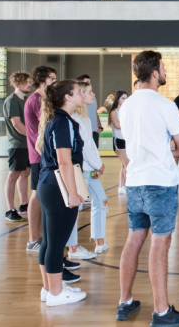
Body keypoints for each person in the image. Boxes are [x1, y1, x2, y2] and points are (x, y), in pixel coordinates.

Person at [116, 50, 179, 326]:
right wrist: (171, 147)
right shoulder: (164, 105)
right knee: (160, 245)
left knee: (133, 240)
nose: (165, 71)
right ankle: (161, 312)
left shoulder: (126, 107)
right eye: (162, 67)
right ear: (153, 73)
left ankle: (125, 301)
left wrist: (165, 145)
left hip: (135, 182)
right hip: (160, 182)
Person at [35, 79, 88, 306]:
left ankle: (50, 288)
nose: (82, 95)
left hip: (48, 186)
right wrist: (73, 193)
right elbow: (64, 162)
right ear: (68, 97)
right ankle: (56, 294)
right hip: (57, 188)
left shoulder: (57, 120)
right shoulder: (62, 122)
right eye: (78, 92)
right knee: (56, 244)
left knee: (49, 242)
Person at [71, 80, 109, 254]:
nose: (93, 95)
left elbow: (91, 145)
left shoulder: (85, 117)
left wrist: (97, 165)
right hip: (81, 169)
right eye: (90, 92)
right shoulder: (75, 118)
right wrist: (98, 165)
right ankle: (72, 248)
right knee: (74, 209)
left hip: (89, 168)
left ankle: (100, 241)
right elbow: (84, 146)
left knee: (101, 201)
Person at [25, 65, 57, 252]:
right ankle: (33, 239)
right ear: (41, 80)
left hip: (44, 155)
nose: (54, 82)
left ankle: (39, 236)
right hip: (39, 156)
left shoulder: (43, 99)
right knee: (37, 195)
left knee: (41, 195)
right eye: (52, 79)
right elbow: (47, 124)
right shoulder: (37, 100)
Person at [3, 70, 31, 222]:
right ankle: (9, 209)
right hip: (17, 144)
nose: (29, 85)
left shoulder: (26, 100)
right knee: (13, 175)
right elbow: (16, 124)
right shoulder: (12, 100)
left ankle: (24, 204)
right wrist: (33, 136)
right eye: (27, 82)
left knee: (25, 172)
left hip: (27, 144)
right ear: (17, 84)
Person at [76, 74, 104, 153]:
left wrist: (99, 125)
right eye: (87, 82)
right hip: (84, 131)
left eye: (90, 82)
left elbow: (94, 112)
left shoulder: (92, 98)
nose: (90, 83)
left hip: (93, 130)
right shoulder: (76, 108)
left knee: (94, 151)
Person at [110, 91, 129, 195]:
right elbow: (117, 125)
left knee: (124, 165)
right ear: (117, 99)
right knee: (127, 164)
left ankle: (121, 186)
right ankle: (128, 186)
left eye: (126, 98)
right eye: (123, 98)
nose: (125, 100)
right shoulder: (114, 111)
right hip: (119, 140)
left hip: (126, 140)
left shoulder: (125, 111)